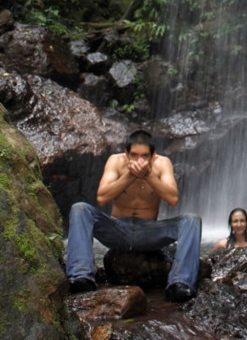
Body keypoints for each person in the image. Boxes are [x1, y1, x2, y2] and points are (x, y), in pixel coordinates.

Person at [66, 130, 201, 303]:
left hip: (149, 232)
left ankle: (180, 283)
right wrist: (130, 175)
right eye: (134, 155)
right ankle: (81, 277)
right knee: (80, 209)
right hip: (118, 229)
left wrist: (148, 176)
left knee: (191, 220)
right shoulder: (115, 161)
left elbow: (173, 198)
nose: (139, 160)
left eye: (145, 156)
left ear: (153, 155)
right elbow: (102, 197)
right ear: (126, 154)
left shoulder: (163, 164)